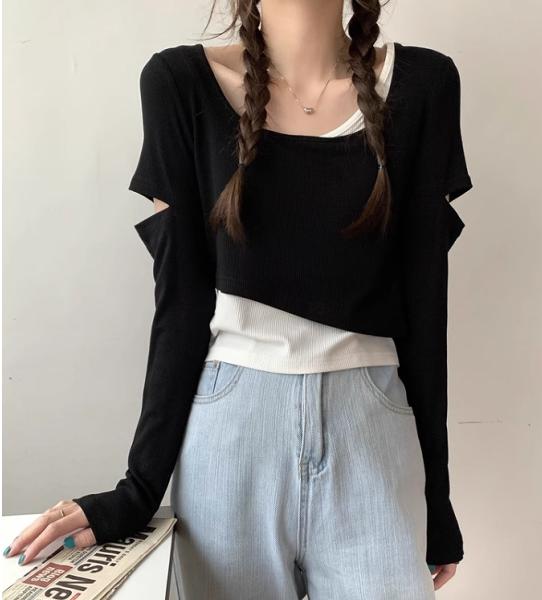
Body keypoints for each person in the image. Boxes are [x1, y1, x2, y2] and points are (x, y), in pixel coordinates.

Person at [3, 0, 473, 597]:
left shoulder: (423, 84)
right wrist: (137, 490)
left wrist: (438, 499)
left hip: (373, 435)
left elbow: (427, 309)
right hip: (229, 440)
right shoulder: (179, 84)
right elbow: (181, 304)